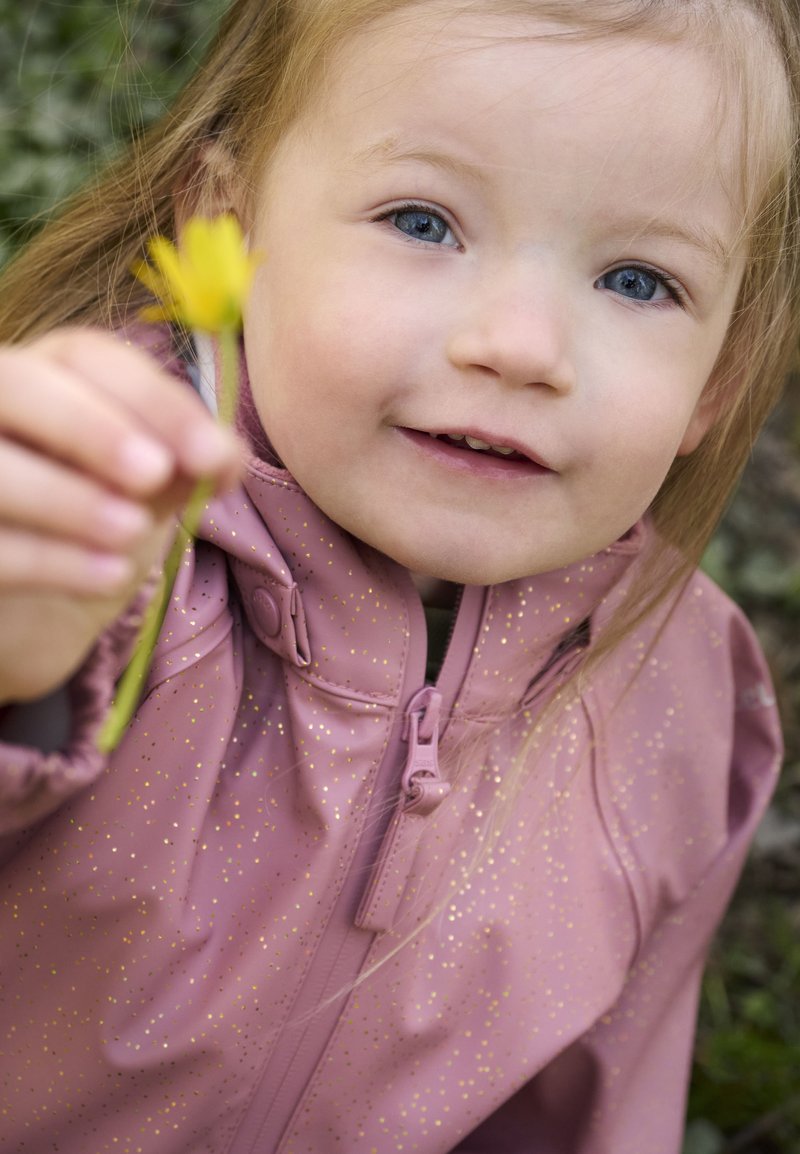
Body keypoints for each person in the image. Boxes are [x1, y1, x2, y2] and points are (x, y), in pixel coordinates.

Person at [0, 1, 797, 1150]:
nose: (519, 347)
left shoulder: (674, 703)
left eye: (635, 281)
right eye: (422, 221)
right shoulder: (107, 516)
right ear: (229, 225)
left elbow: (587, 1112)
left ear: (716, 376)